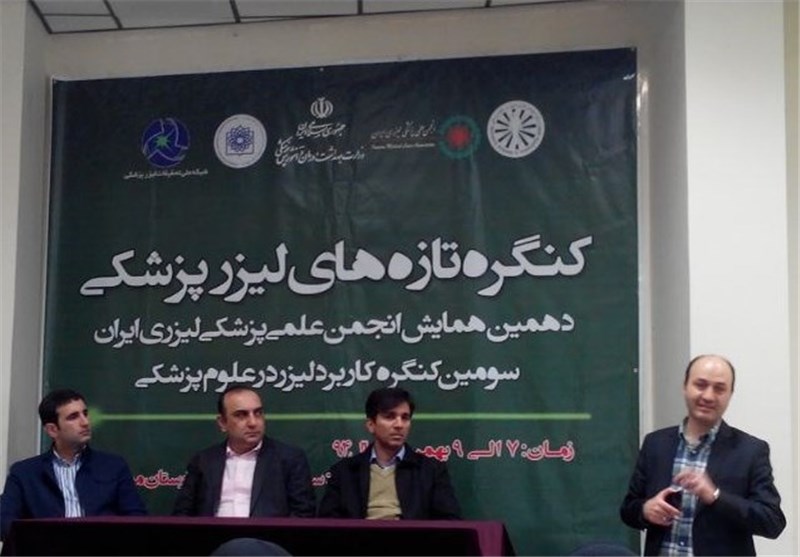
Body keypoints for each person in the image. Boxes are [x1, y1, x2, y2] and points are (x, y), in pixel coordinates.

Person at [620, 354, 785, 555]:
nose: (708, 396)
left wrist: (715, 496)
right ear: (685, 386)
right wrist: (645, 510)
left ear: (730, 394)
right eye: (700, 385)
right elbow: (628, 508)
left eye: (719, 389)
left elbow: (772, 522)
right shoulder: (655, 444)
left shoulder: (750, 451)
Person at [0, 388, 146, 541]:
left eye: (85, 414)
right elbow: (4, 523)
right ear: (52, 430)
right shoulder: (24, 473)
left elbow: (137, 518)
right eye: (73, 417)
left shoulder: (113, 466)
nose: (85, 422)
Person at [317, 387, 461, 519]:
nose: (399, 425)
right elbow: (329, 524)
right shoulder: (344, 472)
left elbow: (450, 522)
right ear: (371, 425)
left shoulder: (430, 470)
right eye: (390, 417)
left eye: (405, 417)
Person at [172, 385, 315, 517]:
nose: (253, 423)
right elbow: (182, 514)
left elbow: (303, 514)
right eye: (241, 415)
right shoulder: (203, 461)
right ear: (222, 423)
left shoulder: (290, 459)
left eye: (258, 413)